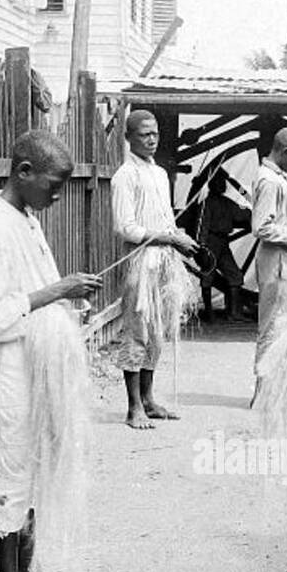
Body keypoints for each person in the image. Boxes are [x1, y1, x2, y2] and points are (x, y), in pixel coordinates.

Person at [0, 130, 102, 572]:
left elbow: (31, 294)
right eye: (55, 183)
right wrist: (58, 290)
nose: (59, 194)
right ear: (23, 172)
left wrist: (68, 301)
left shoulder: (26, 218)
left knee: (41, 467)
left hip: (41, 365)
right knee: (13, 470)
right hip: (13, 369)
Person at [111, 109, 200, 430]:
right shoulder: (125, 175)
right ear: (129, 138)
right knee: (137, 331)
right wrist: (167, 238)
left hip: (164, 262)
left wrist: (177, 236)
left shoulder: (160, 174)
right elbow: (127, 228)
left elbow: (166, 219)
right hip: (140, 264)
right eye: (144, 134)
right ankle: (133, 407)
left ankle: (148, 399)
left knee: (160, 332)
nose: (151, 139)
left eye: (155, 134)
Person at [251, 127, 287, 395]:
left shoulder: (276, 179)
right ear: (285, 152)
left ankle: (271, 388)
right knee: (271, 326)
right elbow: (261, 227)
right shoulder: (270, 181)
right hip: (277, 263)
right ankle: (262, 390)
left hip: (283, 262)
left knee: (281, 323)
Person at [196, 170, 252, 320]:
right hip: (210, 242)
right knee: (208, 276)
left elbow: (244, 213)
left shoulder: (227, 202)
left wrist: (257, 212)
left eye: (223, 183)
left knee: (235, 275)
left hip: (222, 243)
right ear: (212, 185)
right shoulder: (206, 204)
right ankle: (209, 313)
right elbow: (202, 225)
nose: (223, 186)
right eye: (219, 183)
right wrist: (202, 245)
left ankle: (233, 313)